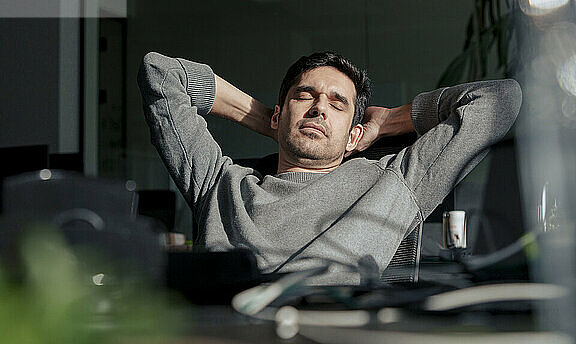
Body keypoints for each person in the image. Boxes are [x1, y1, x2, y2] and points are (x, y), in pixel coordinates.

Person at [137, 51, 522, 285]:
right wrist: (267, 121)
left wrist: (388, 121)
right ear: (278, 114)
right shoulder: (219, 183)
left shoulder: (395, 180)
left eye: (338, 104)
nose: (319, 107)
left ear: (354, 135)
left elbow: (501, 99)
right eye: (304, 96)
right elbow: (161, 73)